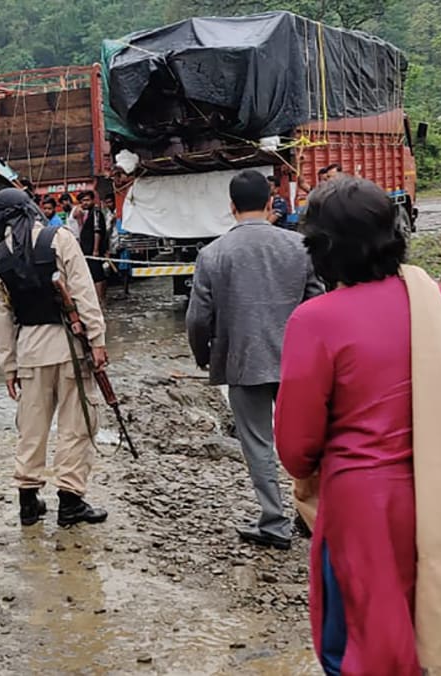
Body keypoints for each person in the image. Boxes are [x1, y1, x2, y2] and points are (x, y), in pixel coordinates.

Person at [274, 178, 441, 675]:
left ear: (321, 250)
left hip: (363, 507)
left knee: (353, 644)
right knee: (429, 632)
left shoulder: (316, 320)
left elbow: (295, 444)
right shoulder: (440, 302)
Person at [185, 169, 325, 550]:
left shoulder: (212, 255)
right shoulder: (299, 247)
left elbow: (198, 317)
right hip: (297, 363)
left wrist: (204, 355)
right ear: (269, 202)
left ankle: (274, 522)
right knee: (310, 440)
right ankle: (318, 516)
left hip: (243, 362)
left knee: (258, 443)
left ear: (231, 207)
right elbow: (317, 303)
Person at [0, 188, 109, 528]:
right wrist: (97, 340)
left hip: (28, 351)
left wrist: (8, 366)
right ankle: (70, 502)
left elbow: (1, 319)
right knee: (76, 424)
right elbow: (84, 293)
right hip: (70, 346)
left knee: (31, 426)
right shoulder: (60, 238)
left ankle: (28, 500)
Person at [73, 190, 109, 310]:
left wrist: (95, 249)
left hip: (93, 250)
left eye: (87, 200)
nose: (85, 203)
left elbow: (97, 231)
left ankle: (100, 300)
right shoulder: (87, 213)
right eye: (82, 201)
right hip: (87, 249)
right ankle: (98, 300)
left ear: (93, 200)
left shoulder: (96, 212)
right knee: (94, 274)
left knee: (97, 274)